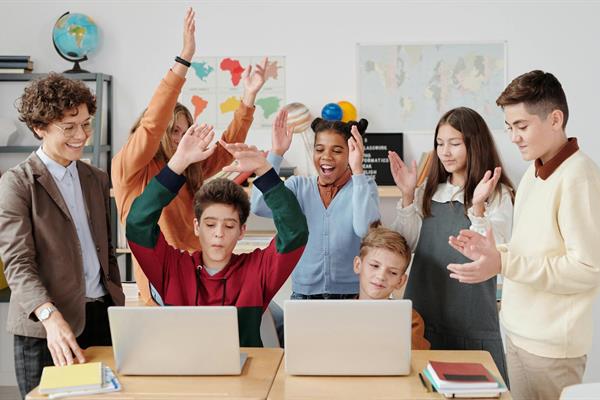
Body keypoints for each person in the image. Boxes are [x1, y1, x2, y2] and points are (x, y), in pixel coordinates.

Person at [448, 71, 600, 400]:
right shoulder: (535, 171)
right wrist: (491, 252)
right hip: (518, 334)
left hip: (551, 348)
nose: (514, 137)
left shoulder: (579, 178)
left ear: (555, 119)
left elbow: (588, 269)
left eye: (521, 126)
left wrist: (503, 262)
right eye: (509, 127)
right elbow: (531, 248)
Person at [111, 8, 268, 305]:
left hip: (197, 273)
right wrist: (184, 58)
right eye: (174, 132)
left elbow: (226, 148)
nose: (181, 139)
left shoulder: (190, 168)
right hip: (163, 283)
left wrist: (248, 97)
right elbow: (153, 123)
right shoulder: (132, 165)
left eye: (185, 131)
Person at [125, 122, 308, 346]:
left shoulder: (257, 271)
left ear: (242, 231)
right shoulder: (173, 269)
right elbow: (137, 224)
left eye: (229, 226)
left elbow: (295, 232)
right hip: (187, 376)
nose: (219, 234)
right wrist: (178, 164)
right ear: (196, 227)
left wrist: (265, 171)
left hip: (246, 377)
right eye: (210, 225)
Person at [0, 73, 125, 398]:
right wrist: (49, 316)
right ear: (40, 128)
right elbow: (17, 264)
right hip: (47, 328)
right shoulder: (18, 183)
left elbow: (104, 250)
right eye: (68, 127)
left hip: (100, 319)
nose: (81, 135)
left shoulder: (95, 178)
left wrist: (116, 300)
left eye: (86, 124)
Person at [388, 107, 514, 382]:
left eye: (455, 144)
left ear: (475, 144)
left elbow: (495, 253)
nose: (444, 152)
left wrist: (478, 206)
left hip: (472, 321)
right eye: (439, 143)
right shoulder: (428, 191)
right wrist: (408, 195)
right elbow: (403, 246)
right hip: (422, 318)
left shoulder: (499, 195)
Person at [251, 114, 380, 299]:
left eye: (337, 150)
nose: (326, 157)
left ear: (351, 153)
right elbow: (258, 205)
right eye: (319, 149)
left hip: (351, 294)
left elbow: (364, 230)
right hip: (304, 295)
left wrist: (358, 170)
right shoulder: (298, 187)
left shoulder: (364, 185)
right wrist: (276, 153)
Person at [353, 224, 430, 350]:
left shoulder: (409, 319)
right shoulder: (337, 315)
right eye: (374, 266)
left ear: (400, 281)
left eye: (393, 272)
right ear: (358, 265)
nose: (381, 276)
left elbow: (415, 360)